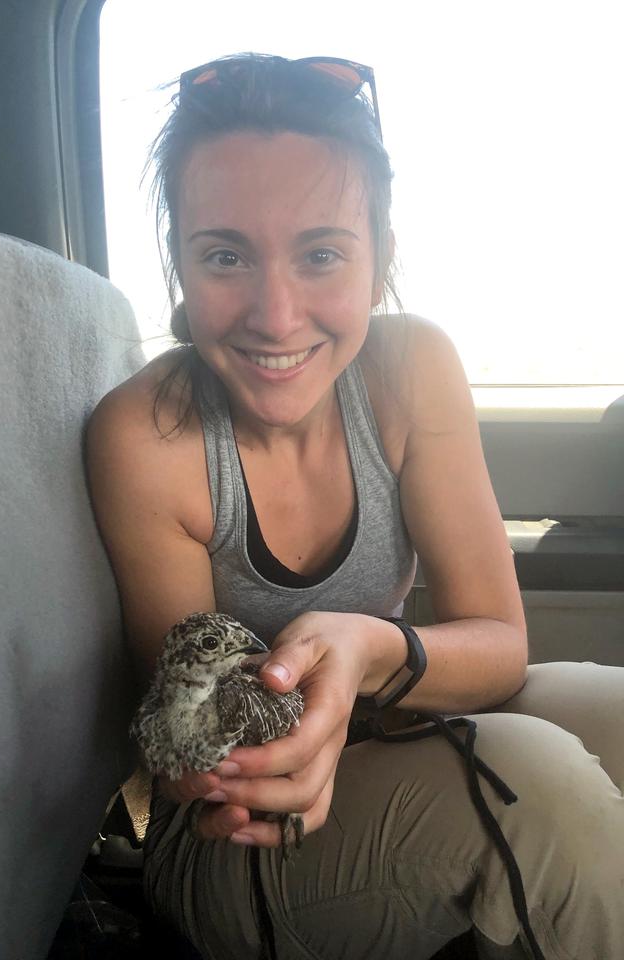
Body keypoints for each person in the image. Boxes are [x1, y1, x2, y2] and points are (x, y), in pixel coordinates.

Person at [86, 53, 623, 960]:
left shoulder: (412, 370)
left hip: (393, 724)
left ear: (379, 262)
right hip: (237, 837)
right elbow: (192, 764)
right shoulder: (147, 435)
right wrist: (284, 739)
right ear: (179, 263)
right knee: (542, 790)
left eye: (321, 254)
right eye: (224, 256)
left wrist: (370, 644)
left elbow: (497, 643)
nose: (276, 314)